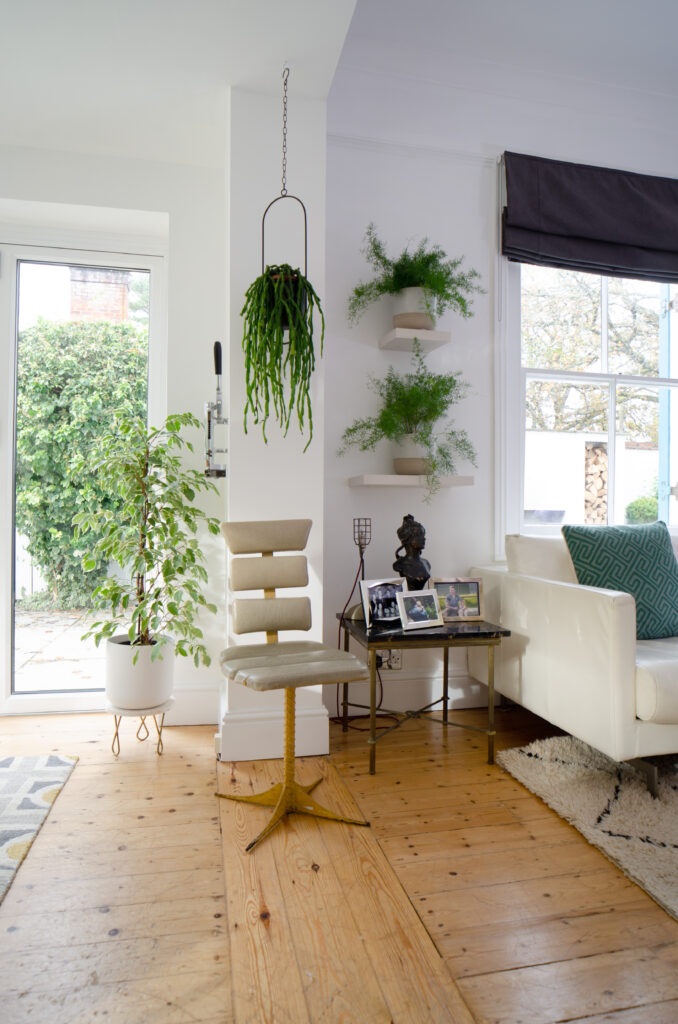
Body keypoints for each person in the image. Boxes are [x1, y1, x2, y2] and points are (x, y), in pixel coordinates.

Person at [392, 514, 431, 590]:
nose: (424, 538)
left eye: (423, 535)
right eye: (419, 535)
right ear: (408, 539)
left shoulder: (426, 563)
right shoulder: (400, 565)